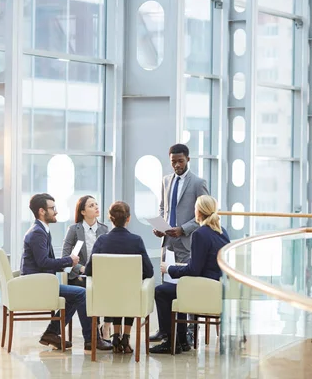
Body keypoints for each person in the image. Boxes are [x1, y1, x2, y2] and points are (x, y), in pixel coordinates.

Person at [149, 195, 230, 354]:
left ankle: (170, 341)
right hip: (216, 289)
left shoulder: (200, 234)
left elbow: (194, 270)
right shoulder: (222, 232)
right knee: (176, 290)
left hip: (202, 290)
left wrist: (170, 269)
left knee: (161, 291)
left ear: (198, 212)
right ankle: (181, 341)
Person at [20, 193, 95, 351]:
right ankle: (91, 340)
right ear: (42, 211)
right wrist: (69, 261)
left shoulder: (41, 230)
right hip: (38, 285)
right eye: (53, 208)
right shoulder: (38, 233)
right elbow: (43, 262)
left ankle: (52, 333)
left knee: (76, 295)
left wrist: (66, 263)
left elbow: (44, 262)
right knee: (81, 294)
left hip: (40, 282)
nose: (56, 212)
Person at [150, 143, 209, 342]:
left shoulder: (198, 183)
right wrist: (159, 226)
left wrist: (183, 229)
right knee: (166, 285)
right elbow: (162, 208)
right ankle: (165, 329)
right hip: (168, 241)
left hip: (185, 240)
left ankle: (189, 331)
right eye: (173, 162)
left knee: (186, 285)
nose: (176, 165)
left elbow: (204, 214)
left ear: (188, 160)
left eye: (180, 161)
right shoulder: (166, 181)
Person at [85, 201, 154, 354]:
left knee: (115, 291)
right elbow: (149, 271)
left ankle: (115, 336)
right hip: (131, 297)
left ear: (110, 218)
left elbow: (89, 270)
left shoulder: (101, 240)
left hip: (106, 297)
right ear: (128, 219)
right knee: (129, 290)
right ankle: (126, 337)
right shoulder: (136, 241)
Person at [61, 195, 112, 350]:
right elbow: (65, 256)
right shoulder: (74, 229)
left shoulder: (104, 229)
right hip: (80, 275)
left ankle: (106, 327)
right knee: (84, 290)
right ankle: (92, 337)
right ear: (83, 211)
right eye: (91, 205)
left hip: (100, 274)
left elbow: (109, 254)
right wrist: (81, 268)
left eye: (96, 204)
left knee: (112, 287)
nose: (96, 207)